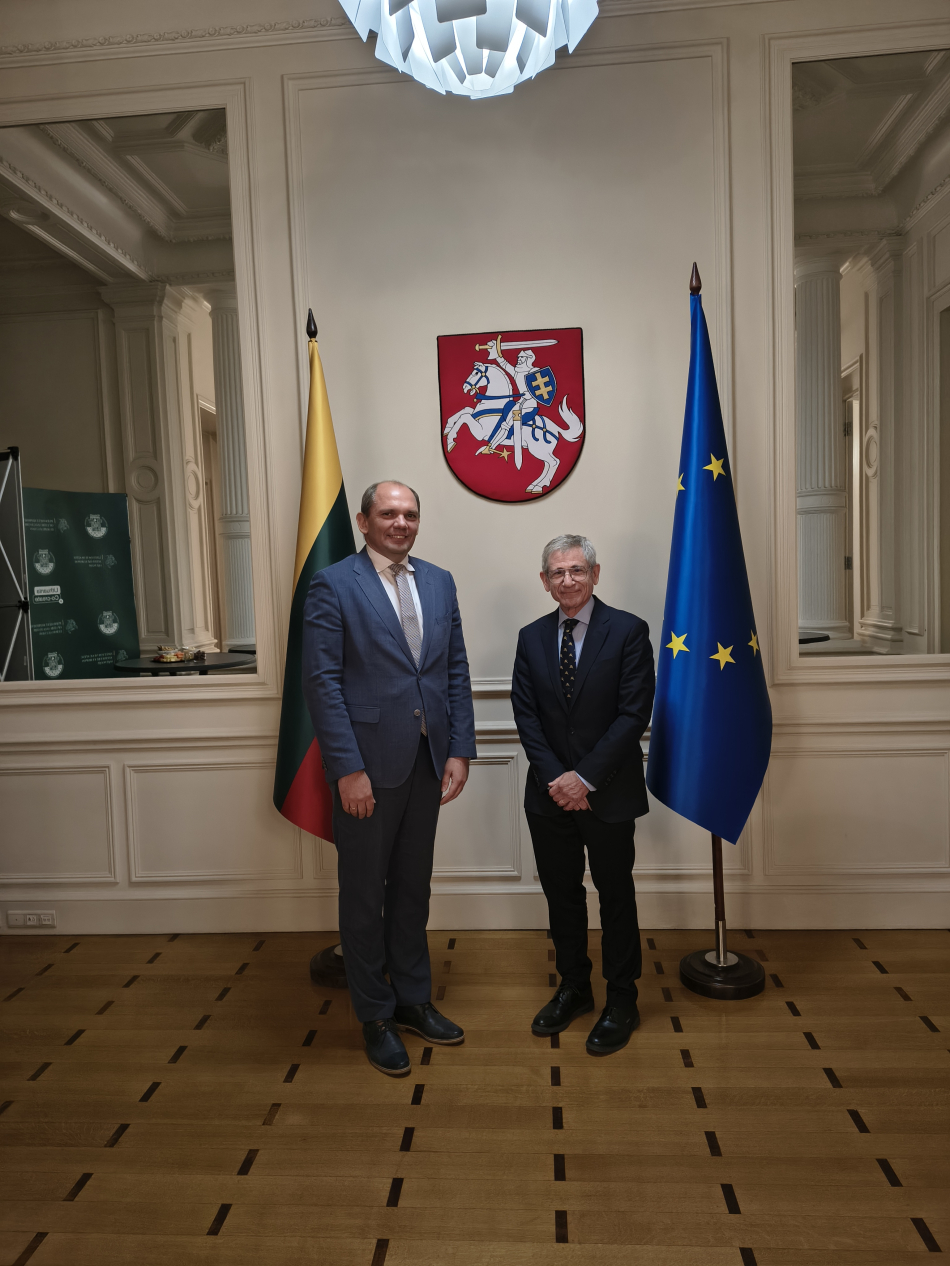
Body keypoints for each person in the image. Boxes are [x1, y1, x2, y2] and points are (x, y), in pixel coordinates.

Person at [302, 481, 477, 1075]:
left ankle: (412, 1000)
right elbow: (322, 683)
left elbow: (454, 669)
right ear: (363, 521)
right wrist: (347, 769)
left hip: (428, 760)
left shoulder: (440, 581)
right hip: (367, 768)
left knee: (411, 889)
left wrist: (459, 749)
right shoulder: (333, 584)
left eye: (410, 514)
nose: (401, 523)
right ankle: (374, 1015)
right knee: (363, 895)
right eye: (388, 513)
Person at [511, 534, 655, 1055]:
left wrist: (585, 778)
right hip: (549, 794)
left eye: (577, 570)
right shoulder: (531, 637)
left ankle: (622, 999)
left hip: (608, 792)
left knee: (615, 896)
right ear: (544, 581)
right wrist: (559, 779)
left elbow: (633, 714)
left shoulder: (629, 631)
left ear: (595, 574)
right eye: (557, 572)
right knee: (562, 895)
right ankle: (574, 987)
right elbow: (526, 715)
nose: (567, 580)